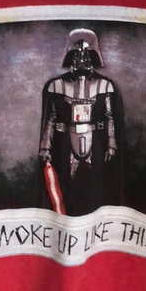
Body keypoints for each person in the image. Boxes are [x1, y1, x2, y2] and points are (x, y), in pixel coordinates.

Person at [39, 28, 122, 216]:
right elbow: (52, 117)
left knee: (95, 187)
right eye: (77, 55)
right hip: (66, 142)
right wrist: (45, 146)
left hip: (95, 141)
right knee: (65, 187)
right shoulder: (57, 85)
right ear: (70, 57)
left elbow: (109, 116)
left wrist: (111, 142)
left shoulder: (104, 85)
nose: (82, 59)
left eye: (86, 55)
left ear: (94, 57)